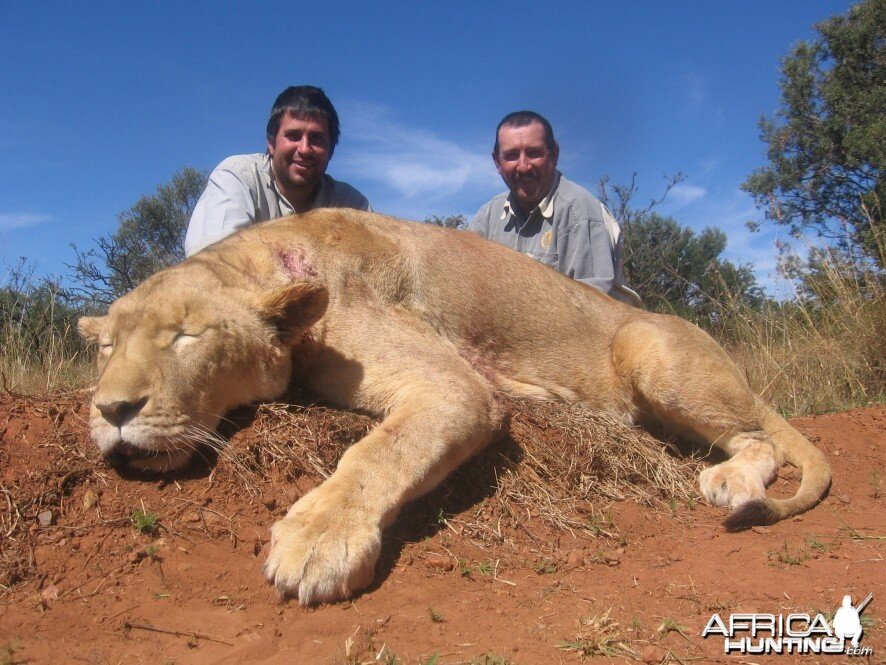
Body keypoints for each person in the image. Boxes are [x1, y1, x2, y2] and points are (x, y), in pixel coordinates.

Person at [469, 111, 641, 307]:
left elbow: (591, 311)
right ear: (497, 162)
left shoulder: (580, 213)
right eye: (511, 156)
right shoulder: (487, 217)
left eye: (534, 153)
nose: (523, 166)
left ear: (554, 154)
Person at [185, 86, 370, 256]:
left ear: (331, 151)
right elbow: (214, 267)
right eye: (294, 136)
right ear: (271, 143)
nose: (305, 149)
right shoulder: (237, 177)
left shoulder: (352, 205)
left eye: (317, 139)